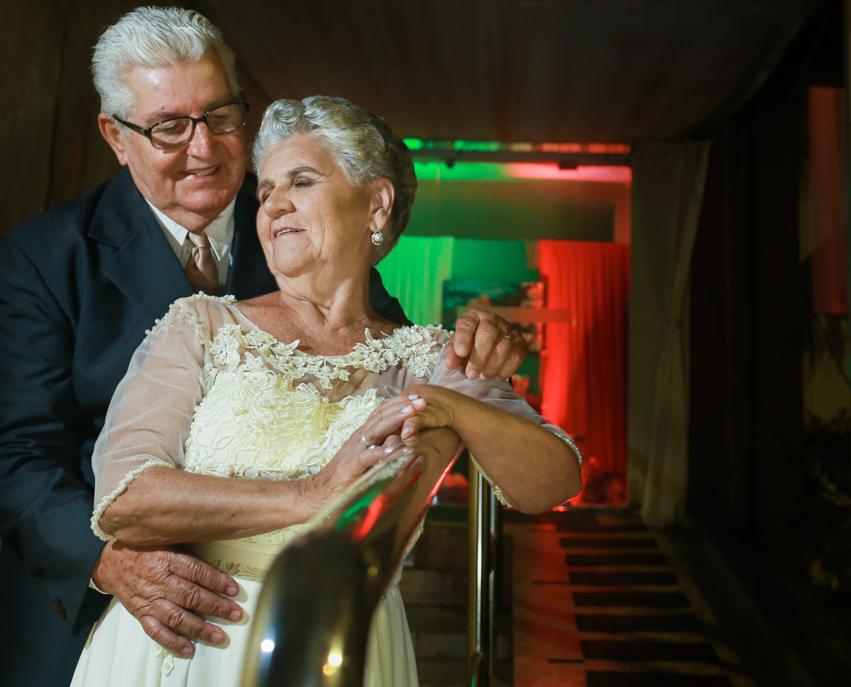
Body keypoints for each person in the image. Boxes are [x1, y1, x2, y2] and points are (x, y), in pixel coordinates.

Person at [0, 8, 530, 687]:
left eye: (221, 115)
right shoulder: (46, 256)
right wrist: (108, 562)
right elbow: (13, 456)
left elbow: (389, 355)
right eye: (170, 127)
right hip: (87, 615)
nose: (204, 147)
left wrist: (482, 343)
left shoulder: (304, 225)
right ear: (116, 137)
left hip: (287, 626)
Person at [69, 96, 582, 686]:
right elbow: (124, 500)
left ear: (377, 203)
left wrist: (453, 405)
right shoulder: (201, 326)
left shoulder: (433, 360)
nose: (273, 204)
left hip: (346, 643)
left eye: (302, 181)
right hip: (187, 645)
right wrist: (311, 496)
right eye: (265, 192)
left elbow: (554, 482)